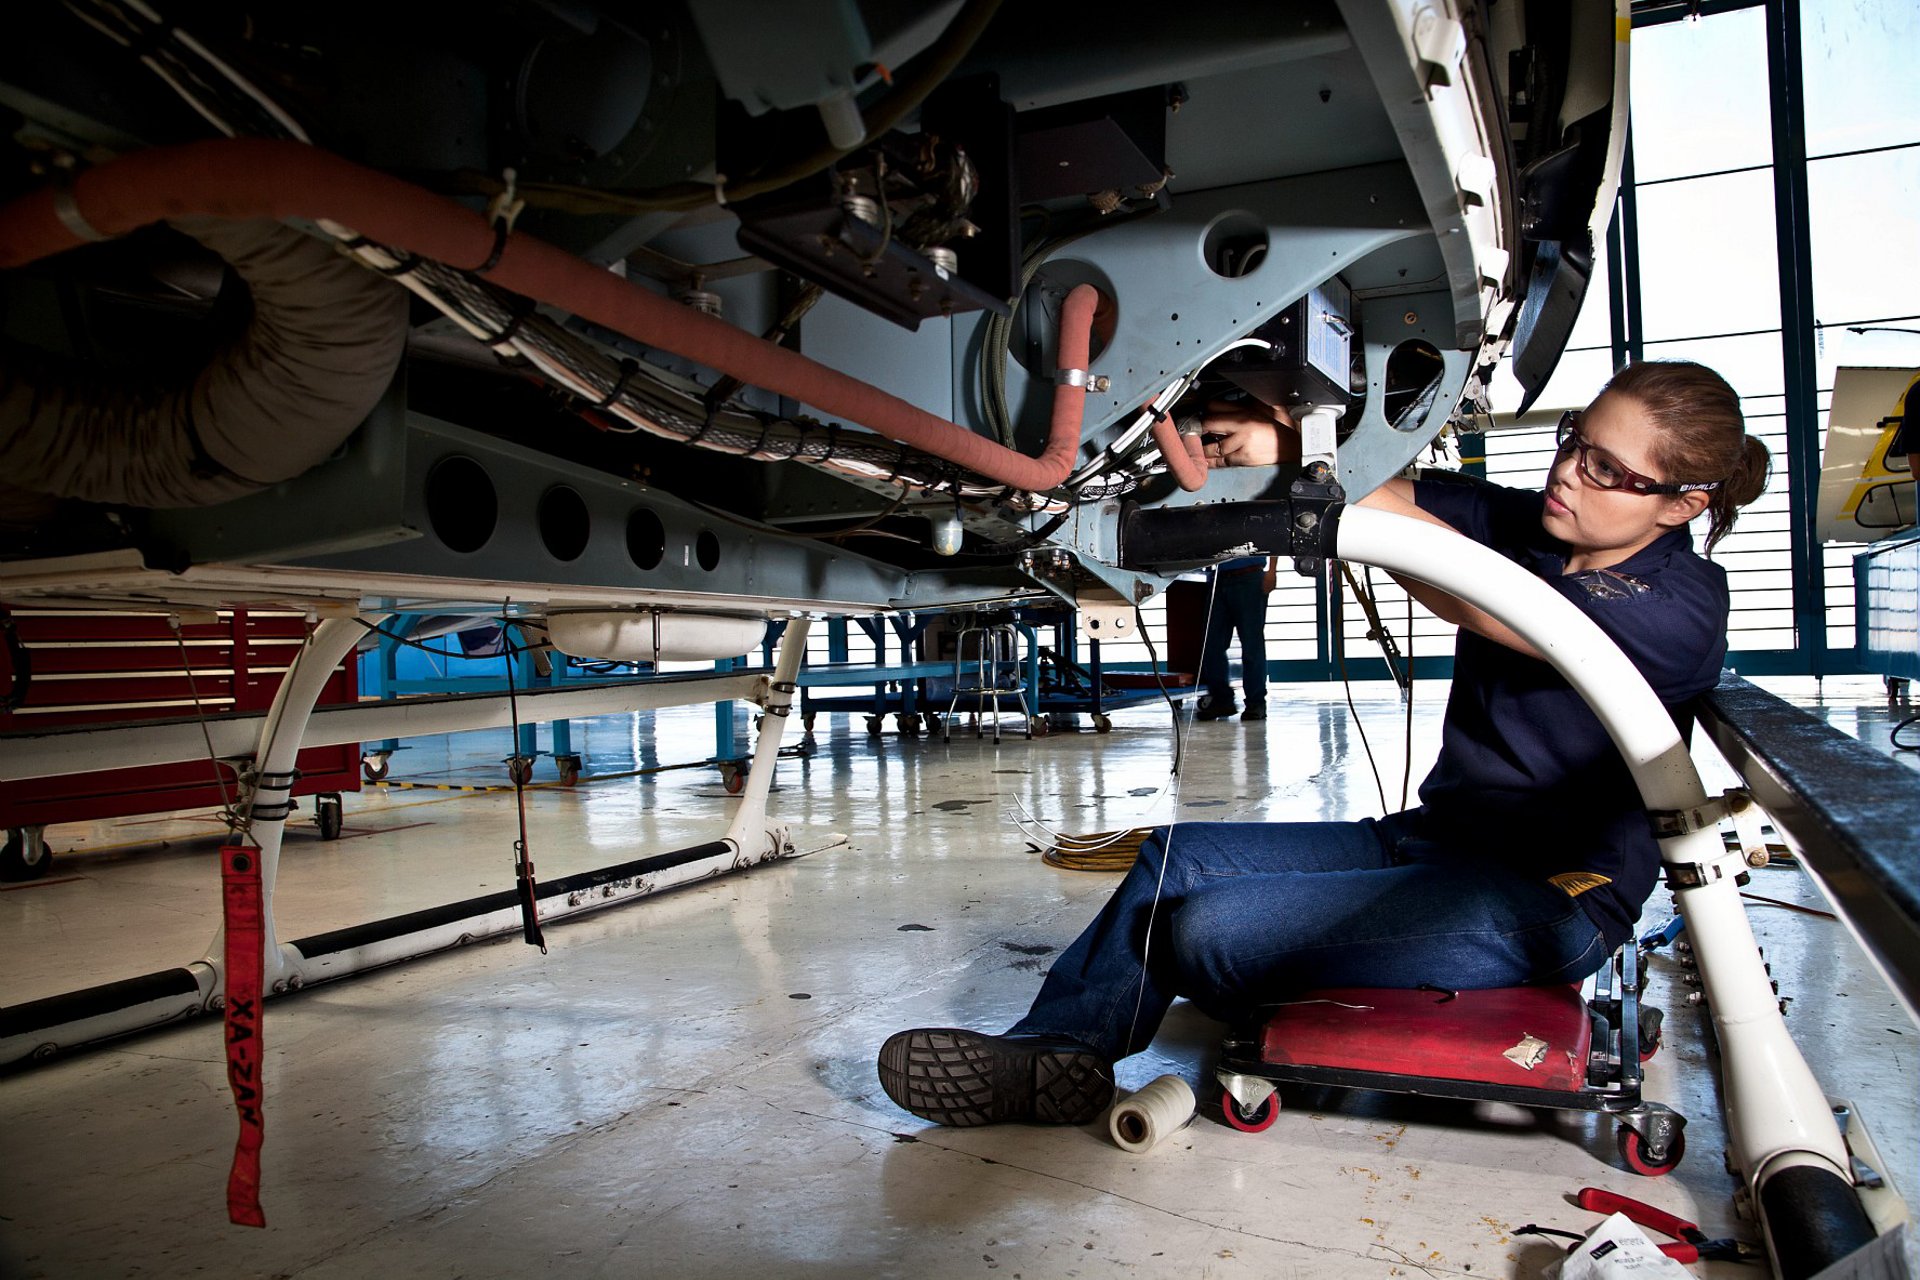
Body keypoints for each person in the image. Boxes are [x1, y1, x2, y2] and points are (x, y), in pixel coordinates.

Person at [876, 360, 1771, 1127]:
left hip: (1549, 897)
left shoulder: (1683, 604)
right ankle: (1053, 1060)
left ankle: (1176, 986)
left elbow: (1486, 598)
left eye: (1607, 468)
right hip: (1433, 839)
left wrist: (1358, 515)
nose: (1569, 472)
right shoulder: (1537, 521)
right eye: (1575, 440)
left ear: (1682, 504)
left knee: (1207, 933)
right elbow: (1393, 497)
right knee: (1171, 860)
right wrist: (1280, 447)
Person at [1195, 554, 1277, 721]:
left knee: (1251, 645)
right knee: (1211, 644)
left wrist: (1272, 571)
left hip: (1250, 576)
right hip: (1217, 578)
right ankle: (1222, 699)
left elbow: (1272, 537)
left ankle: (1256, 703)